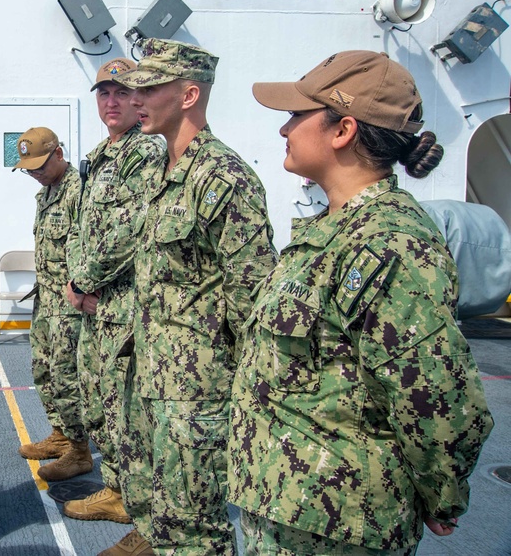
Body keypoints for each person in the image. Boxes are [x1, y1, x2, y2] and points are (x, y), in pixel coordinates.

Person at [229, 50, 494, 555]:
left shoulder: (389, 244)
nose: (285, 130)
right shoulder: (334, 231)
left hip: (339, 523)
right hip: (286, 503)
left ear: (342, 130)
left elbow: (436, 397)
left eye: (296, 116)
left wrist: (443, 495)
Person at [111, 39, 277, 556]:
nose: (136, 100)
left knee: (194, 530)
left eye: (149, 89)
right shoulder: (162, 172)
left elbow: (252, 300)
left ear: (188, 95)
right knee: (163, 516)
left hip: (198, 391)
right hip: (154, 373)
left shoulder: (223, 178)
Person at [62, 58, 164, 528]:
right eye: (103, 93)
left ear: (138, 99)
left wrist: (83, 281)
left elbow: (130, 231)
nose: (111, 102)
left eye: (121, 93)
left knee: (125, 410)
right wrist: (78, 282)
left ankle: (134, 503)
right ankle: (117, 486)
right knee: (101, 403)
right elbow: (84, 228)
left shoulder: (145, 154)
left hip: (123, 309)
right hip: (96, 308)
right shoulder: (103, 156)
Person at [12, 127, 92, 481]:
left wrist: (83, 289)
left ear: (59, 154)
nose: (34, 174)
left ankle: (79, 450)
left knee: (65, 375)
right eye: (28, 169)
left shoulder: (80, 192)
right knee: (43, 371)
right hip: (45, 299)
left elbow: (88, 246)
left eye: (40, 166)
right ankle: (60, 435)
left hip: (69, 304)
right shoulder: (46, 194)